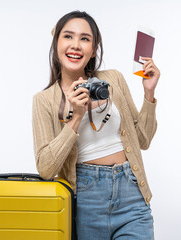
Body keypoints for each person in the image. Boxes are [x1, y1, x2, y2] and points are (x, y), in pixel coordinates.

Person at [32, 10, 160, 240]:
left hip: (131, 193)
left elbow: (143, 140)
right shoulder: (44, 101)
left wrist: (149, 94)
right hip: (85, 202)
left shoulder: (113, 80)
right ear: (57, 43)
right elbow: (46, 168)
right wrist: (76, 118)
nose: (76, 45)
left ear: (93, 49)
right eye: (68, 36)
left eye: (85, 39)